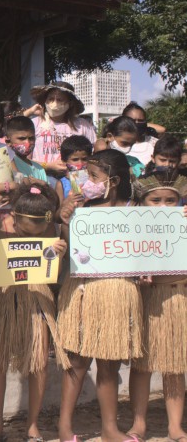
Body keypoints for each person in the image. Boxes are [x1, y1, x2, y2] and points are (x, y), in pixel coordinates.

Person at [56, 149, 143, 442]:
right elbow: (73, 252)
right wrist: (66, 220)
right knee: (77, 361)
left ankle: (109, 429)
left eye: (93, 176)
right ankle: (64, 427)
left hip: (118, 292)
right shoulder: (83, 210)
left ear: (114, 180)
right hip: (84, 290)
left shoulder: (136, 210)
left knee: (109, 362)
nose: (86, 180)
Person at [0, 183, 69, 441]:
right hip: (2, 300)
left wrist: (57, 254)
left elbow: (53, 273)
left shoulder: (53, 232)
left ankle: (32, 424)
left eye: (40, 228)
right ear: (14, 216)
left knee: (38, 364)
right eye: (27, 227)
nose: (35, 232)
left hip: (37, 300)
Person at [127, 168, 187, 442]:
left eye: (170, 201)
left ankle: (175, 426)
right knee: (142, 364)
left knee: (175, 365)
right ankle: (139, 423)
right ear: (142, 202)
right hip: (146, 297)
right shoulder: (131, 224)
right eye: (156, 201)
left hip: (176, 296)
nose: (163, 206)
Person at [29, 81, 96, 181]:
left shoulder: (83, 126)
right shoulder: (34, 124)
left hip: (78, 179)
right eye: (51, 99)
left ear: (70, 103)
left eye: (60, 100)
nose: (54, 103)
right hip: (42, 179)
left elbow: (94, 155)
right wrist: (48, 166)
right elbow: (25, 159)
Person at [5, 116, 47, 182]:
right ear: (8, 142)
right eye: (22, 139)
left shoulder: (39, 168)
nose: (27, 142)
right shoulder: (6, 163)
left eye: (31, 138)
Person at [55, 135, 93, 202]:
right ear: (64, 161)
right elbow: (58, 210)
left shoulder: (94, 180)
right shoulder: (61, 184)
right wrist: (67, 201)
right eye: (75, 160)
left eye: (84, 159)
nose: (80, 163)